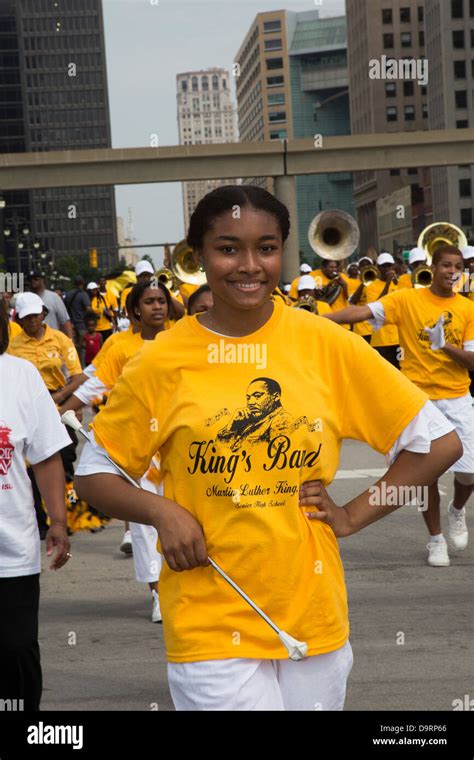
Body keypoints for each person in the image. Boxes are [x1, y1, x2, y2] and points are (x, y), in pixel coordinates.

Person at [74, 185, 461, 712]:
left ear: (284, 252)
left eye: (268, 247)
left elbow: (438, 443)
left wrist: (351, 516)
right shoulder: (161, 361)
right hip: (207, 613)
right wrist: (160, 511)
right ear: (198, 256)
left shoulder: (325, 344)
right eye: (228, 248)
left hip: (312, 612)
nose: (249, 265)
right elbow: (94, 473)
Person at [323, 245, 474, 567]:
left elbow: (472, 360)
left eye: (457, 266)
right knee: (422, 476)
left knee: (469, 473)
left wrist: (443, 346)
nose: (451, 271)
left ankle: (457, 510)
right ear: (433, 267)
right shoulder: (406, 299)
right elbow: (362, 313)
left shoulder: (468, 308)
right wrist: (319, 321)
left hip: (457, 396)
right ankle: (436, 539)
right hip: (417, 400)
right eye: (446, 265)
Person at [61, 281, 173, 622]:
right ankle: (157, 593)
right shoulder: (120, 345)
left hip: (178, 441)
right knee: (144, 523)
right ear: (135, 310)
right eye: (149, 302)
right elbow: (95, 383)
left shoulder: (183, 338)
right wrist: (59, 410)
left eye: (162, 301)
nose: (157, 307)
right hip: (134, 445)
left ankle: (182, 587)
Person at [0, 307, 71, 711]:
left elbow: (45, 456)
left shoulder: (20, 375)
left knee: (15, 651)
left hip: (11, 552)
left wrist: (58, 521)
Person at [364, 252, 400, 368]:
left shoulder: (400, 284)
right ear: (378, 268)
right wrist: (387, 285)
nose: (387, 269)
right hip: (381, 340)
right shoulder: (371, 286)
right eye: (384, 266)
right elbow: (375, 306)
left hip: (398, 339)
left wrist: (395, 283)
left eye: (390, 265)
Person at [26, 270, 73, 339]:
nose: (33, 281)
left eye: (36, 279)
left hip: (52, 340)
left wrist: (70, 340)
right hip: (32, 342)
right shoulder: (25, 299)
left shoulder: (54, 297)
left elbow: (65, 321)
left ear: (43, 280)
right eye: (30, 280)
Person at [64, 275, 91, 366]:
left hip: (70, 325)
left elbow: (64, 309)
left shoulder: (68, 294)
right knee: (82, 348)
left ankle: (73, 368)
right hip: (82, 325)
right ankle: (82, 368)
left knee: (72, 348)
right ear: (83, 283)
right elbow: (88, 310)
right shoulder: (83, 295)